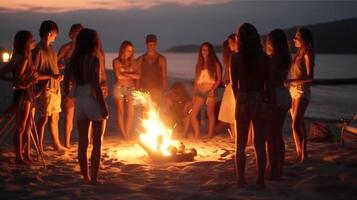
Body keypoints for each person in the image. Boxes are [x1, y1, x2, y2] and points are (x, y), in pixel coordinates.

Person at [65, 28, 108, 184]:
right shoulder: (93, 60)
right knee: (97, 143)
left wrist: (69, 94)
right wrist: (103, 106)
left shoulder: (72, 60)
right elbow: (96, 86)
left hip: (80, 103)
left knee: (82, 142)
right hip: (92, 102)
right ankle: (94, 179)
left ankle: (85, 176)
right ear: (93, 42)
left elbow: (65, 83)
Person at [231, 23, 272, 187]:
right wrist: (268, 102)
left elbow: (234, 84)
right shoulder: (265, 58)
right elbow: (268, 84)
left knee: (240, 145)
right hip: (259, 98)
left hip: (243, 98)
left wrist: (238, 99)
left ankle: (241, 180)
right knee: (259, 144)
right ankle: (260, 180)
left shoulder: (235, 57)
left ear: (239, 38)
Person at [0, 31, 38, 165]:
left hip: (27, 94)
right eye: (32, 39)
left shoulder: (18, 56)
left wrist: (13, 80)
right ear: (26, 43)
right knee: (21, 127)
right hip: (23, 94)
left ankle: (25, 155)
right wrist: (28, 81)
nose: (34, 41)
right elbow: (17, 80)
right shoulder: (24, 58)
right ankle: (19, 157)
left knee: (27, 128)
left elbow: (3, 74)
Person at [33, 20, 67, 152]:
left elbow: (49, 66)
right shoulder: (39, 50)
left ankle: (56, 144)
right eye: (55, 33)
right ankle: (39, 146)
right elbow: (35, 73)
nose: (56, 36)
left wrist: (57, 68)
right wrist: (52, 76)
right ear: (50, 32)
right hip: (45, 89)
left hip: (55, 88)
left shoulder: (51, 48)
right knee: (43, 118)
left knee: (55, 116)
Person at [265, 29, 292, 179]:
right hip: (284, 94)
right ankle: (279, 167)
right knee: (278, 134)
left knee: (271, 136)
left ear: (272, 42)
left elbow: (270, 80)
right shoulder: (286, 58)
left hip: (275, 95)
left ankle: (274, 170)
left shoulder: (273, 58)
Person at [289, 28, 314, 162]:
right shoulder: (298, 54)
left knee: (296, 123)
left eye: (297, 37)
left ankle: (304, 154)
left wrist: (292, 81)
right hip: (293, 90)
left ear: (303, 39)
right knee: (297, 122)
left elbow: (310, 77)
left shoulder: (307, 53)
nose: (294, 39)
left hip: (302, 90)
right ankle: (299, 153)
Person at [58, 23, 83, 148]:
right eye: (76, 33)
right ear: (71, 34)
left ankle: (85, 140)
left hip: (82, 84)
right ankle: (67, 142)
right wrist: (61, 66)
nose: (78, 36)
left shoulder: (85, 49)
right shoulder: (66, 48)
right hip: (69, 84)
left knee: (83, 114)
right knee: (69, 114)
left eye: (80, 33)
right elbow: (55, 61)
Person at [190, 42, 222, 139]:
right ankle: (197, 134)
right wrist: (194, 95)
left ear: (210, 51)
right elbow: (196, 81)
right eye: (203, 50)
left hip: (210, 92)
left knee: (210, 114)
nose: (205, 52)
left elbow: (219, 79)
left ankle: (210, 134)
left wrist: (213, 89)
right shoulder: (198, 65)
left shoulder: (215, 64)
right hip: (200, 92)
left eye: (207, 49)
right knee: (192, 114)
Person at [112, 41, 139, 139]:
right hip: (119, 87)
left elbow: (138, 76)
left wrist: (126, 74)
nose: (130, 53)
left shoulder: (134, 62)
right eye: (128, 50)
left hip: (131, 88)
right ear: (123, 50)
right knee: (121, 112)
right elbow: (118, 76)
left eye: (131, 51)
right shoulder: (116, 61)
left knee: (131, 112)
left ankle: (127, 133)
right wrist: (130, 75)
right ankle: (124, 134)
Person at [137, 34, 167, 106]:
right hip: (144, 89)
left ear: (156, 45)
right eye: (150, 45)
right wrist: (137, 90)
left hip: (157, 90)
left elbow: (164, 76)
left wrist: (165, 91)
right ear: (146, 45)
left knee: (156, 110)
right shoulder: (140, 59)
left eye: (153, 45)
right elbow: (138, 76)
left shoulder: (161, 59)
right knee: (145, 111)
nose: (151, 47)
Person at [219, 34, 238, 139]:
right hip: (230, 86)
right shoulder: (231, 57)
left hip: (233, 86)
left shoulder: (234, 57)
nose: (229, 46)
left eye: (230, 43)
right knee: (230, 113)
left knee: (232, 113)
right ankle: (234, 136)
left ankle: (236, 136)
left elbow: (230, 75)